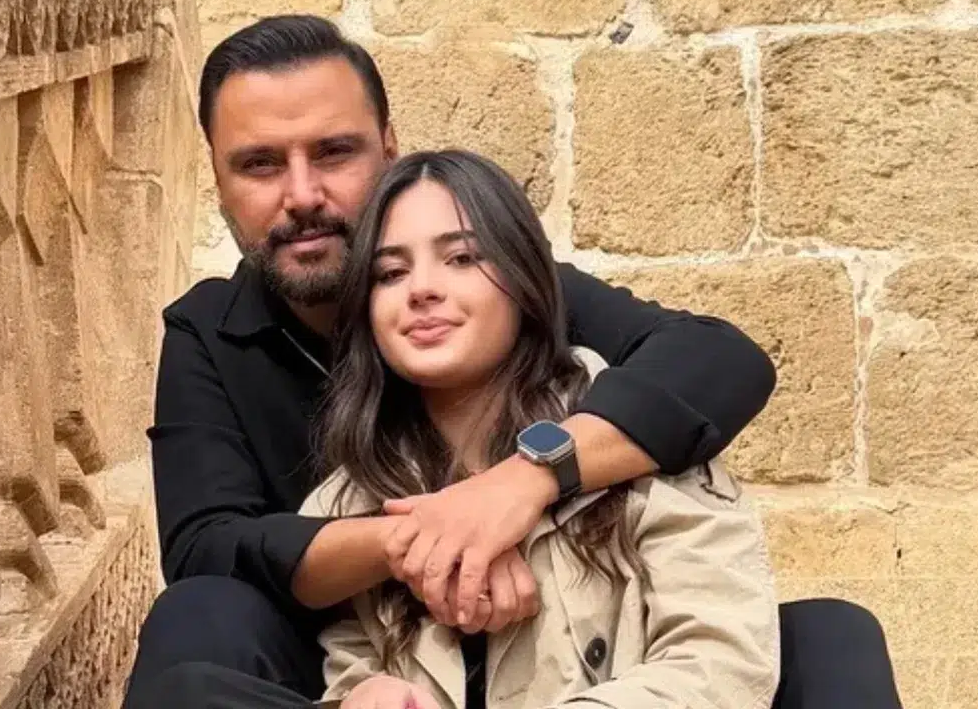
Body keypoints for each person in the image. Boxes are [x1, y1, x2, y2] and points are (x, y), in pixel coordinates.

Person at [121, 14, 902, 709]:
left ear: (388, 151)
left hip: (605, 676)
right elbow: (206, 550)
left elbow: (718, 361)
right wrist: (426, 539)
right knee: (198, 624)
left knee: (830, 639)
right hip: (328, 657)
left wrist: (523, 483)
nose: (302, 194)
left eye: (334, 152)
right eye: (259, 164)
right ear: (217, 181)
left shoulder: (520, 301)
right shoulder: (221, 348)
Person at [297, 148, 781, 709]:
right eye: (390, 273)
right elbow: (349, 660)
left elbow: (722, 664)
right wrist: (366, 694)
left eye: (461, 258)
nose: (421, 288)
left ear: (524, 278)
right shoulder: (347, 504)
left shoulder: (641, 446)